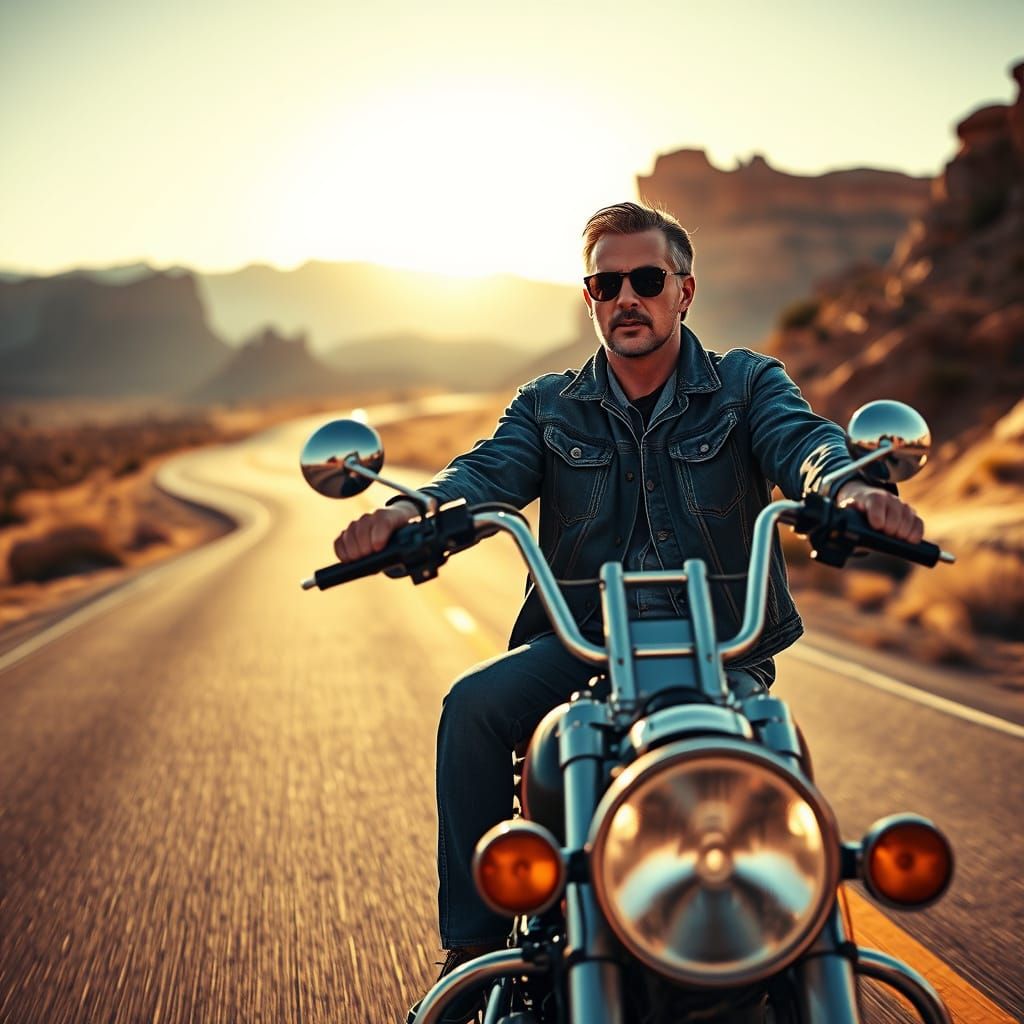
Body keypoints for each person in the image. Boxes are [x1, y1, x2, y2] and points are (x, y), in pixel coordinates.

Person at [333, 202, 924, 1022]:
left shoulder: (748, 383)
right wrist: (411, 515)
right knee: (472, 706)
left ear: (685, 291)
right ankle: (471, 951)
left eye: (647, 280)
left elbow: (802, 441)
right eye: (606, 284)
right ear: (589, 298)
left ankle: (798, 935)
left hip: (719, 653)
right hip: (582, 650)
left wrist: (849, 487)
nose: (626, 299)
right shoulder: (548, 405)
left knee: (773, 743)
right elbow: (486, 473)